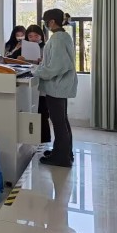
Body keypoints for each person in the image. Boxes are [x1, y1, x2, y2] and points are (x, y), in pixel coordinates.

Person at [34, 9, 78, 168]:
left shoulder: (58, 39)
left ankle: (61, 158)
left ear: (52, 21)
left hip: (57, 85)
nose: (45, 25)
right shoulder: (63, 36)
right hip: (61, 85)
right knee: (62, 121)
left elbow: (57, 67)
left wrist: (37, 72)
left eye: (46, 22)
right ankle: (64, 152)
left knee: (59, 123)